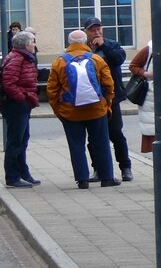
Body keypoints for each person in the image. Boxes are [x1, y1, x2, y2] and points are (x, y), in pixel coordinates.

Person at [48, 29, 117, 189]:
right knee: (101, 143)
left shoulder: (59, 61)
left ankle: (82, 179)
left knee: (76, 145)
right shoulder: (96, 59)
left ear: (69, 43)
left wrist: (59, 109)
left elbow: (52, 90)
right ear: (85, 42)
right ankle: (107, 177)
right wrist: (106, 103)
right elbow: (109, 84)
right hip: (96, 109)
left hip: (70, 111)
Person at [83, 17, 133, 182]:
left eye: (98, 28)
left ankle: (125, 167)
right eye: (92, 29)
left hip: (112, 98)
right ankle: (98, 169)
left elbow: (119, 59)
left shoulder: (112, 45)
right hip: (92, 99)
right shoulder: (83, 49)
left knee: (116, 134)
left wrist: (103, 45)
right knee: (94, 136)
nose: (96, 32)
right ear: (86, 32)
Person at [2, 30, 41, 187]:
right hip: (16, 105)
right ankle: (12, 177)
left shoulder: (23, 57)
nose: (34, 44)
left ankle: (23, 173)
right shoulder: (17, 59)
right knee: (16, 141)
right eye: (32, 41)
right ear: (26, 45)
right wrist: (22, 98)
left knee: (22, 140)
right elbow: (8, 83)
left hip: (22, 103)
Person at [128, 42, 156, 152]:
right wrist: (146, 74)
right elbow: (133, 66)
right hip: (150, 93)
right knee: (151, 130)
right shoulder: (149, 49)